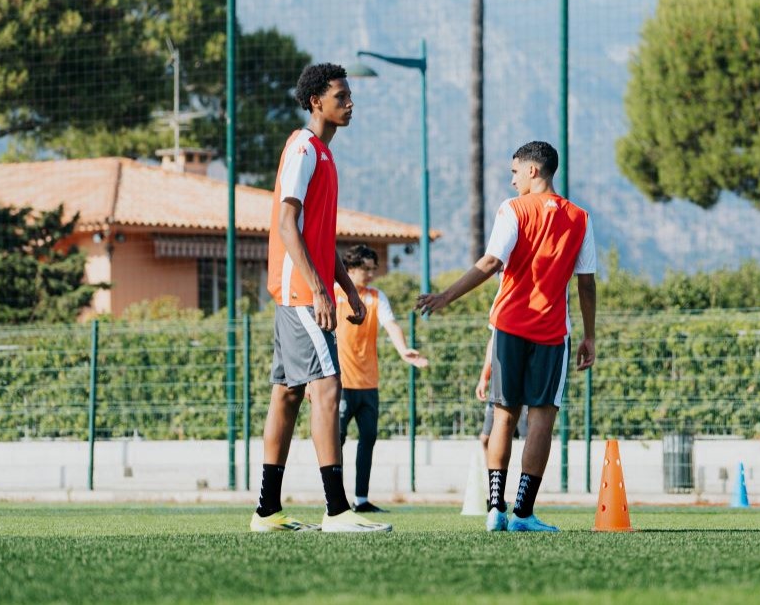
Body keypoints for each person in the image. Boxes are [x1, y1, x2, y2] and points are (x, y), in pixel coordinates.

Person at [418, 141, 597, 533]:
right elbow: (586, 283)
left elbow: (491, 262)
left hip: (509, 327)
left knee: (504, 415)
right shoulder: (581, 218)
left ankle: (495, 509)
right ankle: (523, 514)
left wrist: (446, 296)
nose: (513, 180)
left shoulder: (512, 208)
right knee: (542, 419)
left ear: (533, 170)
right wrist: (590, 336)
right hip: (553, 334)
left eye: (515, 171)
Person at [251, 63, 391, 534]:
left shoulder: (324, 155)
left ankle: (267, 512)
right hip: (299, 293)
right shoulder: (304, 149)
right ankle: (336, 510)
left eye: (350, 96)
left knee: (288, 394)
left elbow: (319, 237)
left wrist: (347, 289)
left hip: (300, 291)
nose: (350, 103)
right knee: (328, 388)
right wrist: (317, 290)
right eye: (341, 96)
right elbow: (286, 224)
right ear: (316, 102)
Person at [334, 244, 429, 513]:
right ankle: (336, 501)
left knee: (368, 439)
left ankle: (361, 500)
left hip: (368, 385)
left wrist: (403, 350)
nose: (371, 274)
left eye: (374, 269)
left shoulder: (376, 297)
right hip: (340, 384)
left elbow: (391, 325)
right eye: (366, 269)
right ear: (350, 268)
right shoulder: (334, 293)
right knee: (335, 442)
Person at [475, 333, 526, 454]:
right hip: (502, 377)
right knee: (486, 438)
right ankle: (493, 467)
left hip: (526, 381)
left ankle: (526, 468)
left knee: (529, 435)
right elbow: (493, 340)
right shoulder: (497, 324)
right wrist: (484, 378)